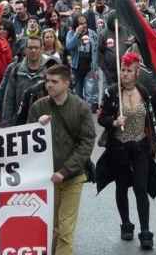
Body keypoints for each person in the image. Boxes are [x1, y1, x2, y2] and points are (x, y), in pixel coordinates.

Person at [28, 64, 96, 255]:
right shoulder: (38, 107)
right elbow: (26, 142)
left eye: (54, 82)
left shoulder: (80, 107)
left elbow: (87, 142)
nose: (48, 85)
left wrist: (65, 171)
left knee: (65, 229)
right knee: (52, 227)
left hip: (72, 177)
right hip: (47, 179)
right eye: (47, 81)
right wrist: (36, 126)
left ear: (66, 83)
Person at [95, 52, 156, 250]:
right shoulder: (112, 93)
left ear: (137, 72)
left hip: (140, 147)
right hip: (119, 147)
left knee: (141, 188)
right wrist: (114, 121)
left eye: (129, 70)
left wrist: (153, 142)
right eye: (122, 70)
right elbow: (101, 118)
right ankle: (126, 224)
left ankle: (145, 231)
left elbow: (151, 118)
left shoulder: (144, 92)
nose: (124, 73)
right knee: (121, 187)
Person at [0, 36, 51, 127]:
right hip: (21, 122)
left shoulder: (49, 69)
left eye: (36, 48)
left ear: (42, 49)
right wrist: (6, 124)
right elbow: (9, 99)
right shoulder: (16, 70)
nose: (33, 50)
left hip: (44, 122)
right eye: (30, 48)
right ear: (25, 50)